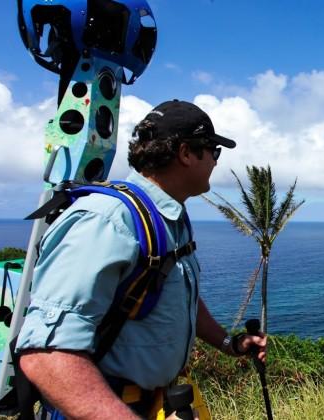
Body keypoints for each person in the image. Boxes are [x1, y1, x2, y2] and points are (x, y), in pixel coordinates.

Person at [16, 100, 267, 419]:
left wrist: (229, 343)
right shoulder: (106, 220)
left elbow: (175, 296)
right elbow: (47, 356)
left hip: (155, 404)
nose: (216, 162)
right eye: (213, 151)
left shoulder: (169, 218)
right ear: (186, 153)